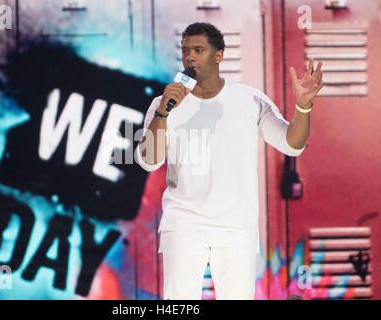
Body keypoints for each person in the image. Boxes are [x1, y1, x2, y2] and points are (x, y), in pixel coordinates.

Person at [135, 22, 323, 300]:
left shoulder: (249, 100)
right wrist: (162, 113)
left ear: (219, 55)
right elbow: (148, 161)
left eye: (199, 50)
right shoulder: (165, 104)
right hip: (184, 224)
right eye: (186, 50)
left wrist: (303, 105)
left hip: (236, 227)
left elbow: (292, 145)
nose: (190, 57)